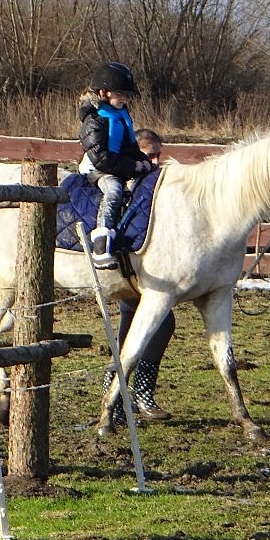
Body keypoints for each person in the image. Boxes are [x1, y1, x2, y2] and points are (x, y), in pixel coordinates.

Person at [103, 128, 175, 424]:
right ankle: (124, 393)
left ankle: (135, 394)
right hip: (128, 270)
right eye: (151, 154)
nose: (157, 160)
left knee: (147, 325)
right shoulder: (127, 185)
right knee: (144, 325)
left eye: (159, 153)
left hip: (145, 271)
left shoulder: (154, 186)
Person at [78, 62, 154, 268]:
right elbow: (101, 157)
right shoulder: (94, 119)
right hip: (100, 170)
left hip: (119, 164)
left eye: (126, 94)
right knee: (114, 191)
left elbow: (130, 147)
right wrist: (132, 167)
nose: (125, 98)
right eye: (120, 93)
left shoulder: (121, 115)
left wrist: (144, 162)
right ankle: (101, 246)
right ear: (103, 93)